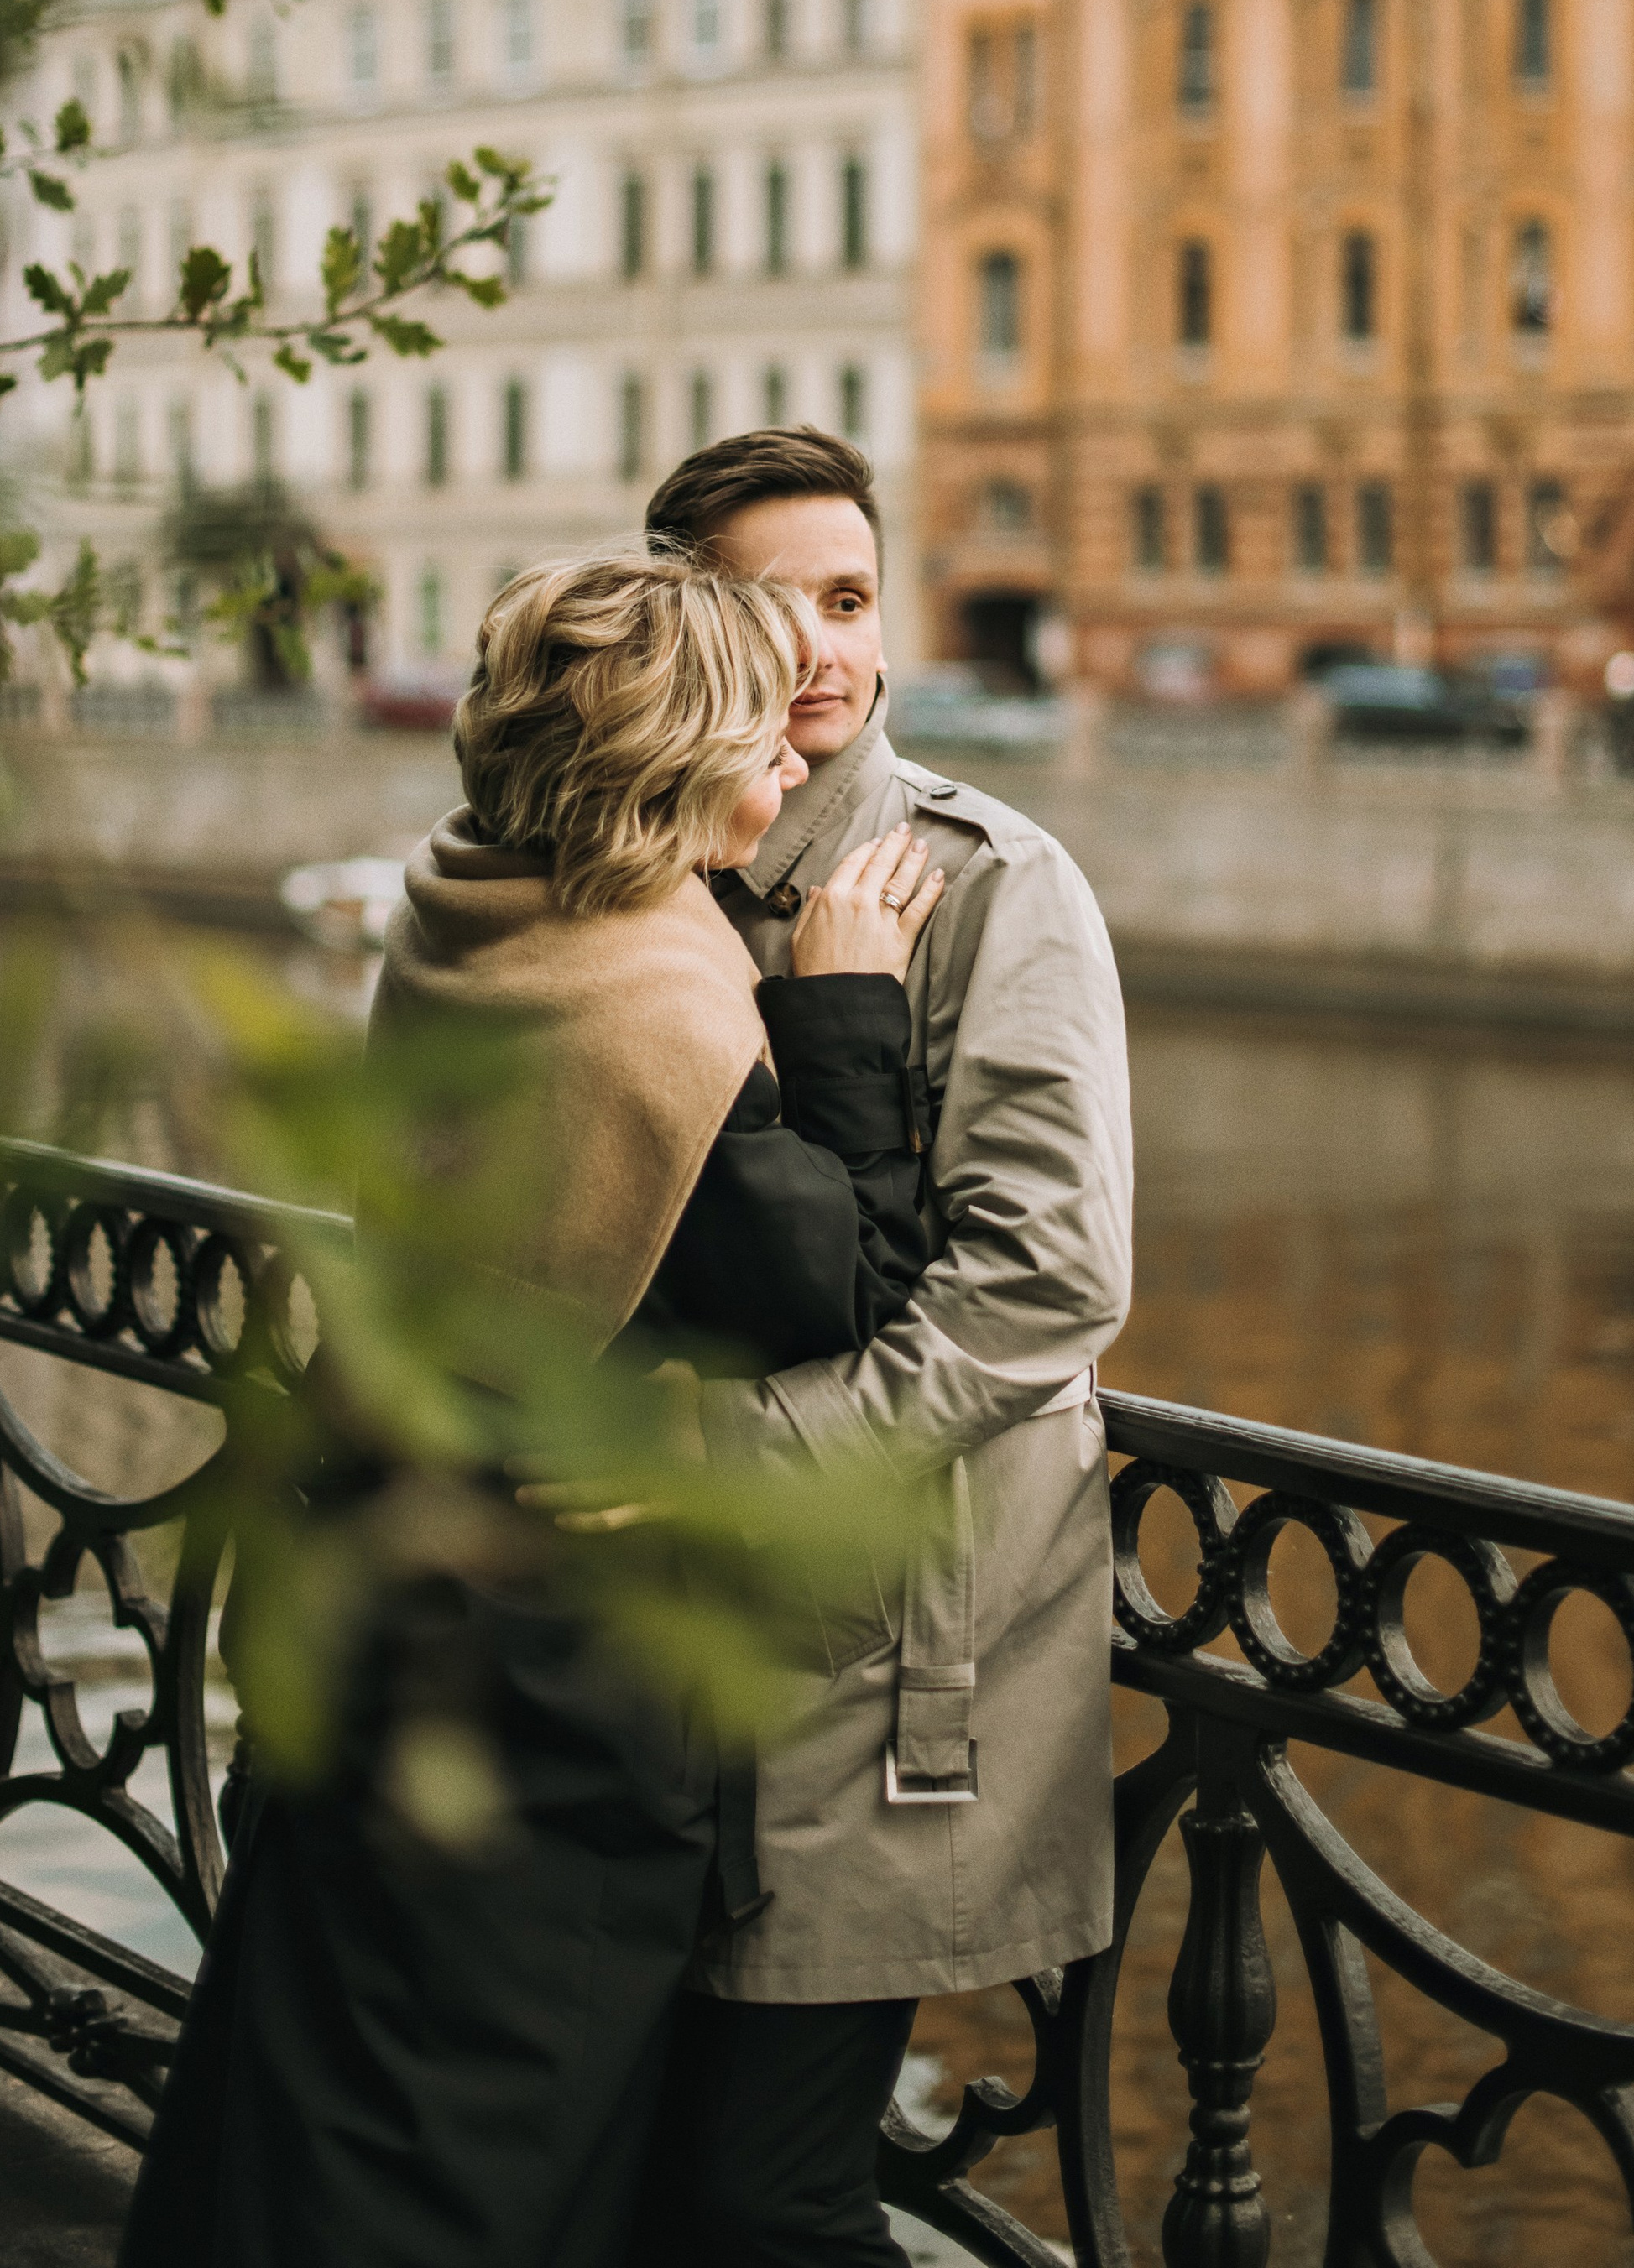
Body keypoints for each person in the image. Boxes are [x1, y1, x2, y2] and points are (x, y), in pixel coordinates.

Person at [118, 550, 949, 2268]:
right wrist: (845, 1009)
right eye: (755, 742)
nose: (793, 770)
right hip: (540, 1687)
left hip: (387, 1584)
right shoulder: (650, 1013)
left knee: (316, 2093)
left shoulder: (464, 897)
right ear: (665, 769)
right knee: (465, 2154)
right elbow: (842, 1289)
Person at [629, 428, 1133, 2265]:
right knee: (661, 2175)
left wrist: (739, 1455)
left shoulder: (991, 885)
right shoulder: (649, 869)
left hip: (890, 1652)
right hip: (657, 1639)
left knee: (769, 2197)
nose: (825, 648)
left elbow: (1046, 1286)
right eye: (773, 605)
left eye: (850, 598)